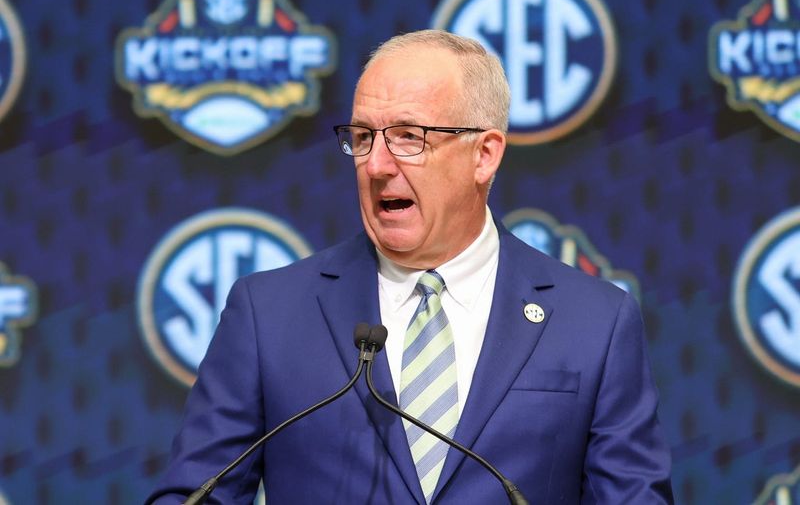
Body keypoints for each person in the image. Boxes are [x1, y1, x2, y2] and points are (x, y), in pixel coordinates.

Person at [147, 29, 673, 504]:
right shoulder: (269, 315)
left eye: (408, 137)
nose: (375, 164)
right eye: (363, 137)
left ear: (484, 155)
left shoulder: (595, 323)